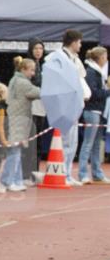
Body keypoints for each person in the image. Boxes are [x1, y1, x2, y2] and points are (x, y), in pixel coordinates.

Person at [48, 29, 91, 184]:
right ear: (73, 42)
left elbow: (81, 78)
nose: (80, 45)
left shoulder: (75, 59)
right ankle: (61, 174)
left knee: (73, 141)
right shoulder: (58, 57)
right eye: (79, 42)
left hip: (75, 104)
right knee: (65, 141)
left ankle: (67, 173)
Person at [0, 56, 40, 192]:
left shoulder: (16, 79)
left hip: (17, 118)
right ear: (23, 69)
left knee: (17, 150)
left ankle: (16, 180)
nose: (33, 73)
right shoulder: (23, 83)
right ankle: (7, 180)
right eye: (31, 70)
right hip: (17, 119)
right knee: (14, 151)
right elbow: (39, 92)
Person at [77, 46, 110, 184]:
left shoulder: (99, 73)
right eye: (105, 56)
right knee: (88, 143)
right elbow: (93, 94)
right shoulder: (91, 72)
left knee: (96, 144)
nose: (106, 59)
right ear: (100, 58)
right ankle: (83, 174)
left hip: (99, 111)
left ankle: (97, 173)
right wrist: (108, 91)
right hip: (91, 111)